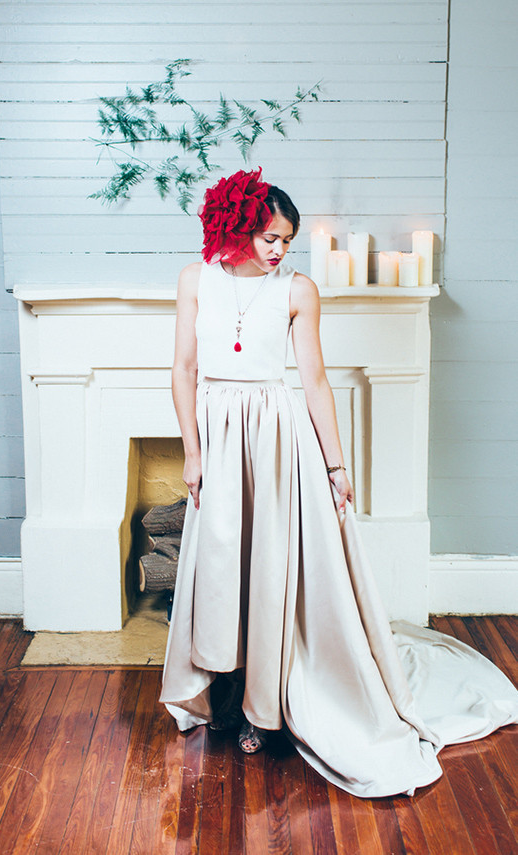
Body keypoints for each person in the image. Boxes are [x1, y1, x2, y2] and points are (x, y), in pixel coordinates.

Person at [159, 168, 518, 798]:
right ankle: (222, 683)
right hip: (217, 433)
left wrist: (336, 465)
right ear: (238, 226)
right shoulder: (196, 280)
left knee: (270, 570)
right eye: (270, 235)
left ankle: (264, 713)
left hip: (276, 437)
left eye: (287, 239)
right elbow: (184, 369)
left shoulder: (297, 290)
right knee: (221, 567)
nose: (278, 249)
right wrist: (192, 451)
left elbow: (316, 382)